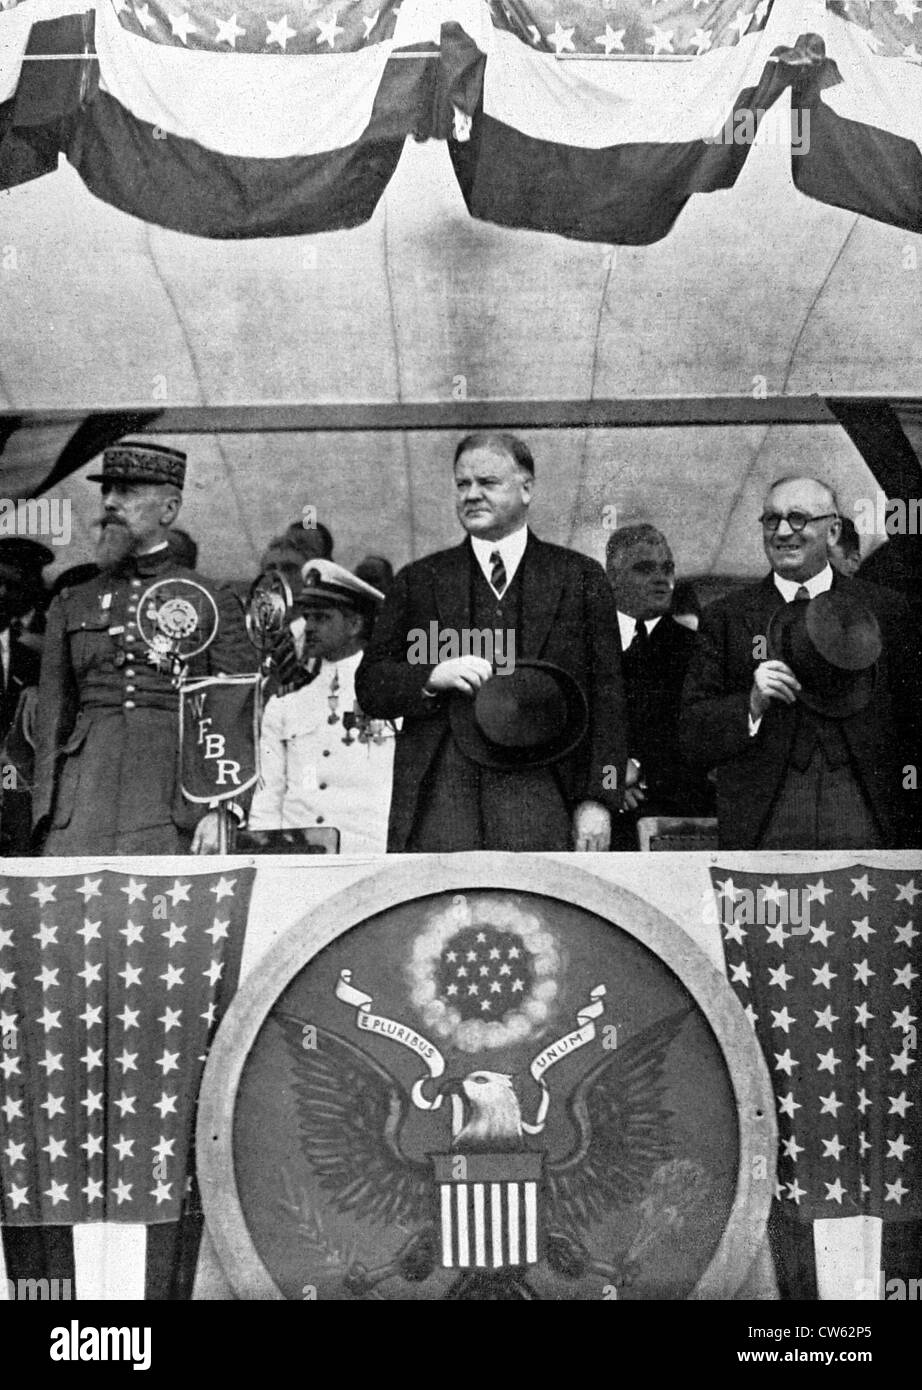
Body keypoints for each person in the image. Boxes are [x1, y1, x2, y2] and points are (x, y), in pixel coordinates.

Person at [355, 432, 627, 852]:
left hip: (545, 793)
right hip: (442, 799)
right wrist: (430, 675)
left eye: (487, 483)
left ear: (527, 489)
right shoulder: (418, 580)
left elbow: (609, 701)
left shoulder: (580, 578)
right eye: (462, 485)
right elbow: (370, 685)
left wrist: (599, 799)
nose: (471, 495)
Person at [32, 441, 254, 856]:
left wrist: (224, 809)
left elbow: (233, 710)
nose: (111, 502)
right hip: (81, 808)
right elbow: (52, 720)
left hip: (172, 802)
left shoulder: (211, 598)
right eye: (107, 491)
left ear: (168, 509)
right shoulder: (71, 601)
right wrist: (44, 816)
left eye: (128, 492)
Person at [679, 475, 920, 849]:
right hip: (765, 818)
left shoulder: (886, 610)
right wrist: (752, 703)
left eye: (798, 518)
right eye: (771, 520)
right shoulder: (726, 617)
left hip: (868, 811)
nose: (782, 531)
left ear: (834, 529)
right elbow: (693, 734)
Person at [247, 560, 394, 854]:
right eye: (308, 616)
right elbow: (268, 797)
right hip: (299, 860)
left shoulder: (391, 696)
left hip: (368, 855)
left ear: (354, 624)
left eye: (322, 618)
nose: (309, 627)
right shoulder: (284, 706)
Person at [605, 525, 713, 838]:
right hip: (597, 825)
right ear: (612, 577)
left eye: (667, 568)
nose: (661, 578)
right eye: (644, 568)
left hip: (677, 821)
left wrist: (639, 771)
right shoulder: (583, 644)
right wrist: (611, 781)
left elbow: (701, 739)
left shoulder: (700, 650)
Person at [0, 540, 54, 854]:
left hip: (31, 770)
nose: (4, 594)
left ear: (35, 584)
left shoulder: (55, 633)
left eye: (14, 584)